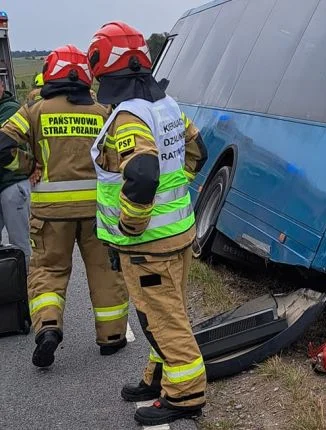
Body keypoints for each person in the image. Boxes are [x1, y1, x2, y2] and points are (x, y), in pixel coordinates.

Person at [88, 22, 208, 426]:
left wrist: (133, 224)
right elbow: (197, 151)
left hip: (148, 244)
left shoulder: (128, 116)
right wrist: (177, 195)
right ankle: (158, 378)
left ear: (102, 65)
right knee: (160, 313)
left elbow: (141, 173)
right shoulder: (167, 105)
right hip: (177, 234)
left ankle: (186, 396)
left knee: (163, 317)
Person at [0, 45, 130, 368]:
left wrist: (26, 164)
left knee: (48, 272)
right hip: (96, 213)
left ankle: (48, 327)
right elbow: (115, 162)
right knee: (104, 272)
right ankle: (112, 337)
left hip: (50, 216)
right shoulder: (102, 112)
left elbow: (3, 145)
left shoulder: (35, 111)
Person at [0, 79, 30, 266]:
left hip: (12, 184)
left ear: (2, 86)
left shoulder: (11, 109)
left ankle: (25, 286)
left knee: (19, 243)